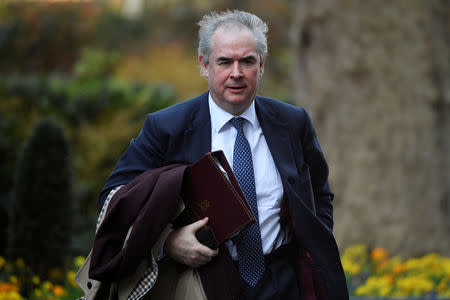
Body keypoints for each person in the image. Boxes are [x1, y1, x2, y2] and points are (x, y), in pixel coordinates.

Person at [98, 9, 348, 300]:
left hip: (284, 282)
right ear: (204, 65)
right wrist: (168, 242)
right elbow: (113, 201)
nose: (236, 73)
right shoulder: (166, 128)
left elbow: (320, 194)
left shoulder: (293, 123)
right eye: (225, 61)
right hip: (203, 285)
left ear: (262, 65)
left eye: (247, 61)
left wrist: (312, 245)